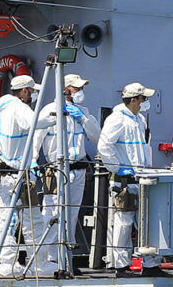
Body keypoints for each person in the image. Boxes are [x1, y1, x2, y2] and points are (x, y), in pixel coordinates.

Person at [33, 74, 100, 272]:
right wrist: (31, 162)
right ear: (65, 89)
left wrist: (83, 119)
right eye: (76, 88)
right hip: (55, 170)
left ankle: (64, 258)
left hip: (78, 170)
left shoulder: (83, 112)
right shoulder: (49, 111)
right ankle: (47, 260)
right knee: (52, 215)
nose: (80, 92)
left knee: (71, 215)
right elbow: (36, 140)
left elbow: (96, 137)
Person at [0, 75, 56, 278]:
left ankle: (6, 263)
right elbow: (32, 123)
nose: (33, 96)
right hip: (22, 174)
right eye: (32, 91)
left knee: (7, 220)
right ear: (25, 91)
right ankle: (38, 264)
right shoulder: (20, 108)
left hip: (6, 172)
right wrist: (54, 118)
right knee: (33, 220)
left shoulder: (1, 110)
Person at [97, 82, 162, 278]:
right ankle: (121, 266)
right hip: (124, 181)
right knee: (123, 224)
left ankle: (151, 264)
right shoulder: (117, 119)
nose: (145, 102)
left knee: (147, 223)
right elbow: (104, 146)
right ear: (134, 100)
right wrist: (117, 168)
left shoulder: (139, 119)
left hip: (142, 179)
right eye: (143, 99)